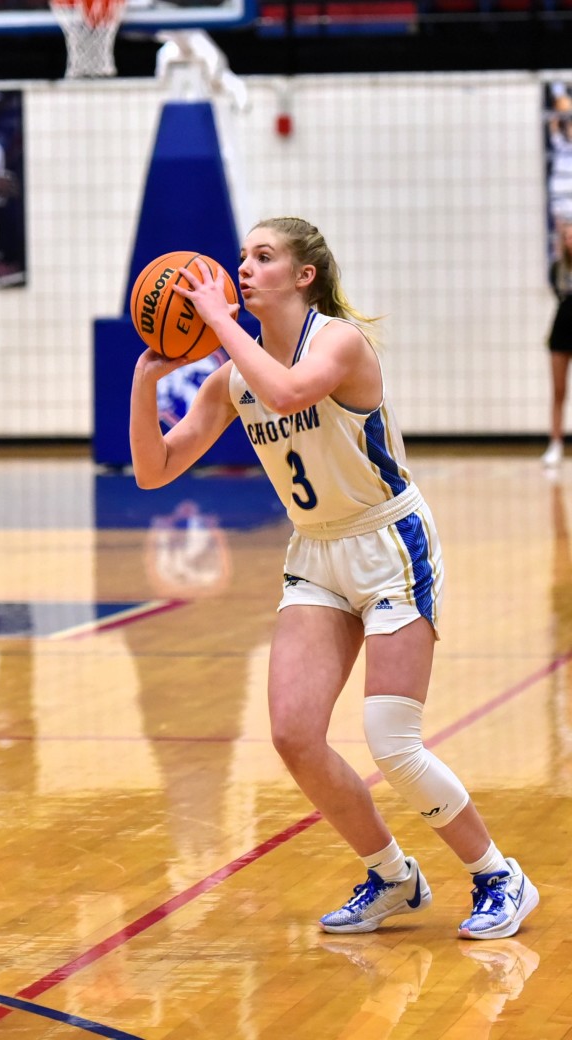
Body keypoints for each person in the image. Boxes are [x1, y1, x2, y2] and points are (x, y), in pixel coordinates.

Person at [129, 216, 538, 940]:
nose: (244, 268)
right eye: (242, 258)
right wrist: (144, 379)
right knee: (293, 735)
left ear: (303, 275)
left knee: (391, 738)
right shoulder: (232, 377)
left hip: (389, 544)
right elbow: (155, 469)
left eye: (264, 257)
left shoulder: (339, 343)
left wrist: (220, 322)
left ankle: (497, 874)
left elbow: (288, 394)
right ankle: (392, 878)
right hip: (316, 553)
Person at [543, 222, 572, 467]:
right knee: (558, 391)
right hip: (561, 331)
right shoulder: (557, 268)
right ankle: (555, 444)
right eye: (567, 237)